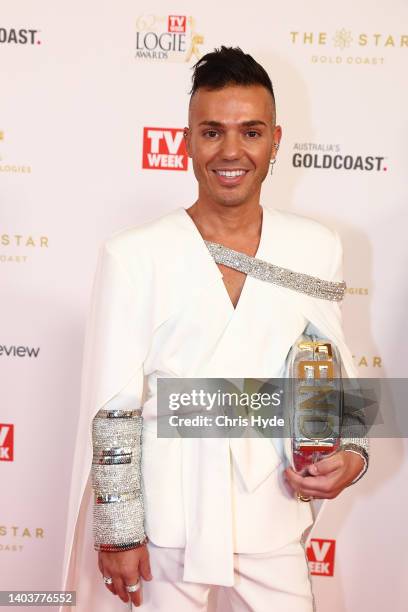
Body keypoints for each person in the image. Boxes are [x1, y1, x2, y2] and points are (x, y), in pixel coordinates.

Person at [60, 46, 368, 612]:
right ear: (186, 142)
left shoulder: (315, 247)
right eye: (211, 133)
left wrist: (350, 452)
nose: (231, 151)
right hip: (164, 520)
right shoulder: (134, 253)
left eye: (250, 132)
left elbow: (328, 372)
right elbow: (114, 403)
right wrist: (120, 531)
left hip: (270, 506)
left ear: (275, 142)